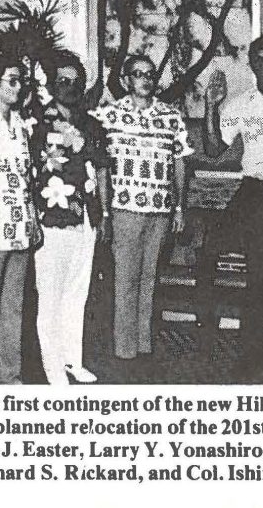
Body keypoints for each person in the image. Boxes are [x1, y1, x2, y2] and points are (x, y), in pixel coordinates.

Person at [202, 34, 263, 379]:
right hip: (255, 194)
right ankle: (238, 351)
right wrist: (211, 107)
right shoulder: (243, 104)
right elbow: (214, 149)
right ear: (252, 65)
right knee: (238, 267)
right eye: (259, 60)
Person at [92, 54, 193, 361]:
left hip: (160, 210)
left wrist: (179, 209)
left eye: (150, 74)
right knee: (125, 277)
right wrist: (104, 212)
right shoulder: (107, 115)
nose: (145, 80)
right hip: (124, 209)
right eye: (138, 74)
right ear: (126, 80)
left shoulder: (171, 116)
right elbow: (99, 168)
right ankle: (124, 350)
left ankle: (143, 343)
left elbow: (179, 164)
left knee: (149, 277)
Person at [31, 51, 111, 384]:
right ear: (50, 84)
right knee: (50, 296)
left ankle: (71, 360)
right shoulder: (36, 123)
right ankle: (52, 368)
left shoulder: (91, 124)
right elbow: (29, 172)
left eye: (75, 81)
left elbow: (102, 169)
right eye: (62, 81)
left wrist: (104, 212)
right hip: (51, 217)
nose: (69, 88)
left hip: (86, 216)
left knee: (77, 293)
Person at [0, 54, 42, 384]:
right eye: (10, 80)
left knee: (14, 306)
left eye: (20, 81)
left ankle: (9, 378)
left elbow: (25, 177)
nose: (17, 87)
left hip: (21, 228)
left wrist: (34, 220)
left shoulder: (18, 123)